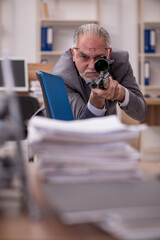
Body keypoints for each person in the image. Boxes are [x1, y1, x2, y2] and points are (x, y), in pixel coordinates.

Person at [38, 23, 147, 121]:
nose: (92, 66)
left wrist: (121, 93)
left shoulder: (120, 62)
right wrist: (96, 101)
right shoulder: (62, 77)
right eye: (84, 57)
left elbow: (141, 113)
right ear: (73, 54)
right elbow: (82, 128)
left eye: (99, 58)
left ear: (109, 54)